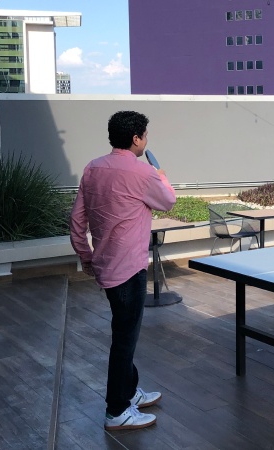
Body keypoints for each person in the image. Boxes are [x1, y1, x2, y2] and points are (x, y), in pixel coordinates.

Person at [70, 111, 176, 431]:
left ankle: (128, 391)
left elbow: (77, 221)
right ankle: (117, 410)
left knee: (124, 332)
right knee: (125, 339)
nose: (146, 141)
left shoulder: (92, 168)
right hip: (129, 270)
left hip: (106, 267)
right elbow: (168, 201)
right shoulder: (143, 173)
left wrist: (86, 257)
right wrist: (161, 176)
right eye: (145, 135)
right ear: (135, 138)